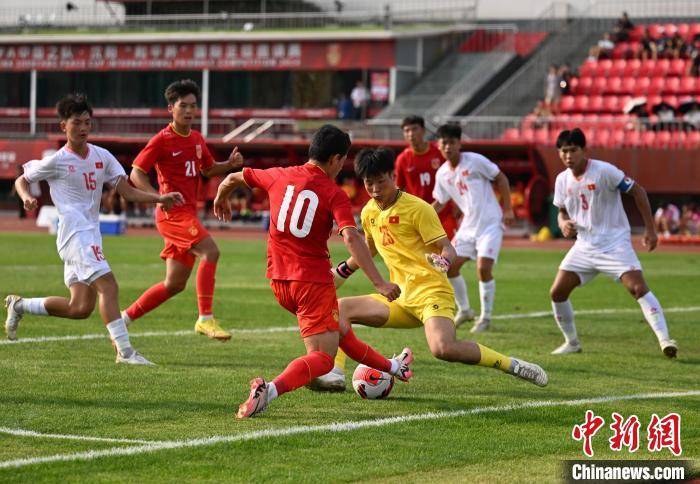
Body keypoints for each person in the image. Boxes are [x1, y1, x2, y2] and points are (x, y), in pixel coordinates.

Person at [213, 125, 412, 418]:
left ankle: (397, 369)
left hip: (279, 281)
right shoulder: (333, 193)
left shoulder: (278, 174)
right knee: (322, 358)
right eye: (342, 160)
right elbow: (351, 237)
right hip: (312, 283)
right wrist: (380, 282)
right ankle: (268, 391)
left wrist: (221, 196)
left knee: (341, 330)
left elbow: (233, 177)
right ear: (334, 159)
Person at [311, 147, 547, 392]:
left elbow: (447, 247)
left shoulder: (418, 208)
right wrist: (340, 273)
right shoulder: (370, 211)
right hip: (399, 297)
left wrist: (444, 261)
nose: (375, 189)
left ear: (393, 176)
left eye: (380, 181)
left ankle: (513, 365)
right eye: (369, 183)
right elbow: (368, 251)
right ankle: (334, 374)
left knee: (443, 349)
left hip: (431, 293)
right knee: (339, 309)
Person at [4, 93, 184, 365]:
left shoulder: (102, 156)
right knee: (109, 286)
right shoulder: (57, 160)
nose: (83, 128)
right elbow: (22, 179)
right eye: (76, 122)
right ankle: (125, 352)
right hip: (75, 234)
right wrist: (27, 197)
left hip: (90, 234)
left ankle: (19, 305)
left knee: (79, 308)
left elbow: (127, 192)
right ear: (63, 126)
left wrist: (159, 198)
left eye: (87, 122)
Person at [120, 79, 243, 341]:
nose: (189, 111)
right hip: (171, 214)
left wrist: (229, 164)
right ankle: (205, 319)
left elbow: (208, 170)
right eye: (183, 106)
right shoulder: (162, 140)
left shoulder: (197, 139)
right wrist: (158, 197)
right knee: (211, 251)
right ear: (170, 109)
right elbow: (136, 173)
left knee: (174, 284)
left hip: (188, 213)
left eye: (193, 106)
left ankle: (123, 319)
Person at [549, 128, 677, 358]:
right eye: (563, 151)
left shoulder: (604, 171)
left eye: (573, 150)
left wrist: (651, 230)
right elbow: (561, 210)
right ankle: (572, 342)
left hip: (614, 243)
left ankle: (665, 339)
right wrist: (563, 223)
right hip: (584, 246)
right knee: (557, 292)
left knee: (637, 288)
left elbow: (638, 191)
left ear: (584, 150)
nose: (568, 156)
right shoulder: (562, 180)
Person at [432, 124, 515, 331]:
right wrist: (418, 215)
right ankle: (466, 310)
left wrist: (508, 208)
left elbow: (501, 178)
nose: (448, 147)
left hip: (490, 223)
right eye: (444, 143)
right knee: (448, 267)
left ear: (459, 143)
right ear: (439, 146)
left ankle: (485, 318)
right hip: (468, 226)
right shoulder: (442, 174)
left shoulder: (475, 161)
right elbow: (440, 202)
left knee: (483, 268)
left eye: (452, 142)